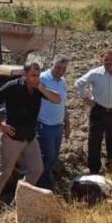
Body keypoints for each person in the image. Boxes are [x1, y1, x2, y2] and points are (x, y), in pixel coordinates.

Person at [0, 60, 62, 206]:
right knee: (5, 173)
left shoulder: (39, 88)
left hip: (30, 138)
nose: (36, 78)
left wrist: (43, 89)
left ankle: (17, 201)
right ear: (25, 74)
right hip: (12, 137)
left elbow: (57, 99)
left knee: (36, 170)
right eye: (33, 75)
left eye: (38, 75)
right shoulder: (13, 87)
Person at [74, 50, 112, 176]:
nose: (109, 62)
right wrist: (87, 100)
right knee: (94, 140)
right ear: (102, 60)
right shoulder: (95, 73)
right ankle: (94, 169)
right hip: (98, 111)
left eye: (111, 60)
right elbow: (78, 84)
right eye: (106, 60)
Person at [36, 55, 70, 190]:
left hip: (57, 125)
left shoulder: (62, 82)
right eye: (57, 67)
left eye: (63, 69)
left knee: (54, 156)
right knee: (47, 156)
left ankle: (45, 183)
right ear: (52, 64)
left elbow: (63, 104)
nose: (59, 71)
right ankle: (42, 187)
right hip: (45, 125)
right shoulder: (42, 79)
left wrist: (67, 123)